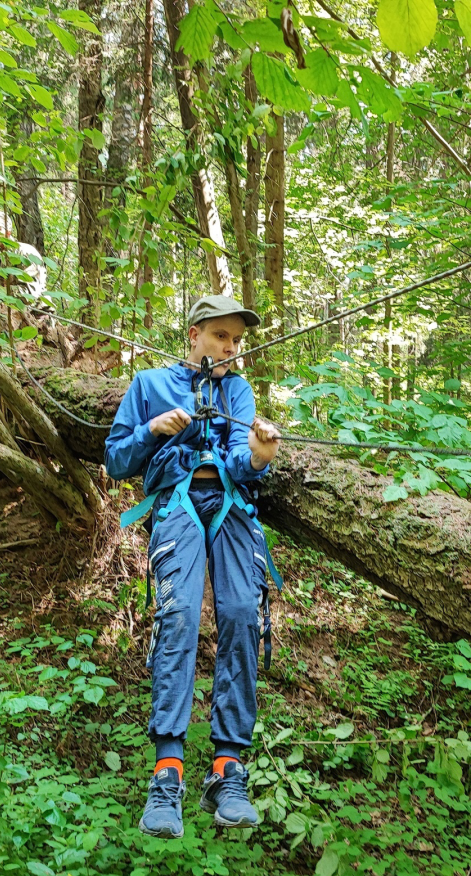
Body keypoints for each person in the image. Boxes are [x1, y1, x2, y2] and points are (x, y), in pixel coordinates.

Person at [106, 295, 284, 839]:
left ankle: (228, 768)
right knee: (179, 614)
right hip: (177, 503)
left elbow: (240, 465)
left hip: (229, 503)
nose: (230, 349)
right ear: (194, 334)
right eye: (221, 337)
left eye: (237, 341)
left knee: (238, 613)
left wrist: (255, 455)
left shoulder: (238, 390)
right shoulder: (149, 384)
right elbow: (116, 460)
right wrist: (154, 428)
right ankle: (168, 771)